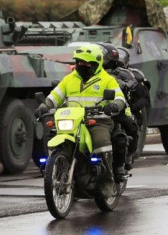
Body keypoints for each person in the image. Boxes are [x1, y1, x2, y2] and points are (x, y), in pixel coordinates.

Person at [34, 44, 128, 188]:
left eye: (86, 63)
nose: (81, 65)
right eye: (79, 62)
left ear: (96, 64)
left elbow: (120, 99)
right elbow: (54, 97)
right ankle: (58, 171)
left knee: (101, 143)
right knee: (53, 137)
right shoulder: (69, 79)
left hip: (98, 121)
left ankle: (107, 183)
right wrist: (44, 106)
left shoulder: (107, 79)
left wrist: (114, 105)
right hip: (73, 120)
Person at [98, 43, 139, 177]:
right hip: (91, 110)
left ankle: (123, 162)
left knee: (126, 133)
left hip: (117, 110)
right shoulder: (93, 72)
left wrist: (123, 84)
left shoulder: (123, 73)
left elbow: (132, 83)